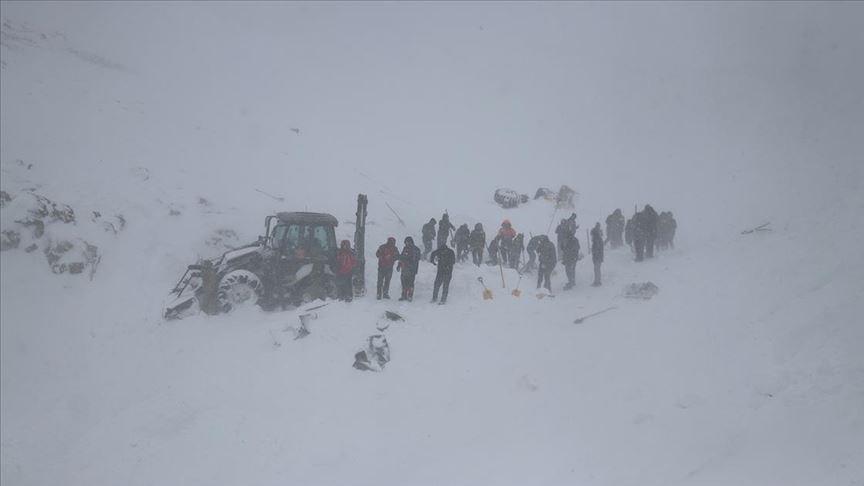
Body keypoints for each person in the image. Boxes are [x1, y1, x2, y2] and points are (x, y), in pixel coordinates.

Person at [397, 236, 421, 301]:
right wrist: (399, 265)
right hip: (405, 268)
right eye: (406, 242)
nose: (406, 244)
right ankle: (404, 295)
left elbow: (417, 259)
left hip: (411, 269)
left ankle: (409, 295)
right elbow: (401, 257)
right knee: (404, 282)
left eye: (407, 242)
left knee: (410, 283)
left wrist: (407, 260)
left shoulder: (416, 249)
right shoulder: (405, 248)